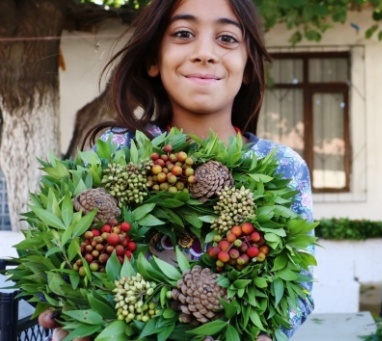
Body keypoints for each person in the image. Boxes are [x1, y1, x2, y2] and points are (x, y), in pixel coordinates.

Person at [39, 1, 314, 340]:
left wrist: (263, 333)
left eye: (226, 38)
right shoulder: (119, 150)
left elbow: (296, 289)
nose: (205, 53)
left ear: (248, 66)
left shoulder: (282, 167)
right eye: (184, 33)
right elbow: (67, 255)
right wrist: (69, 307)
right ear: (154, 59)